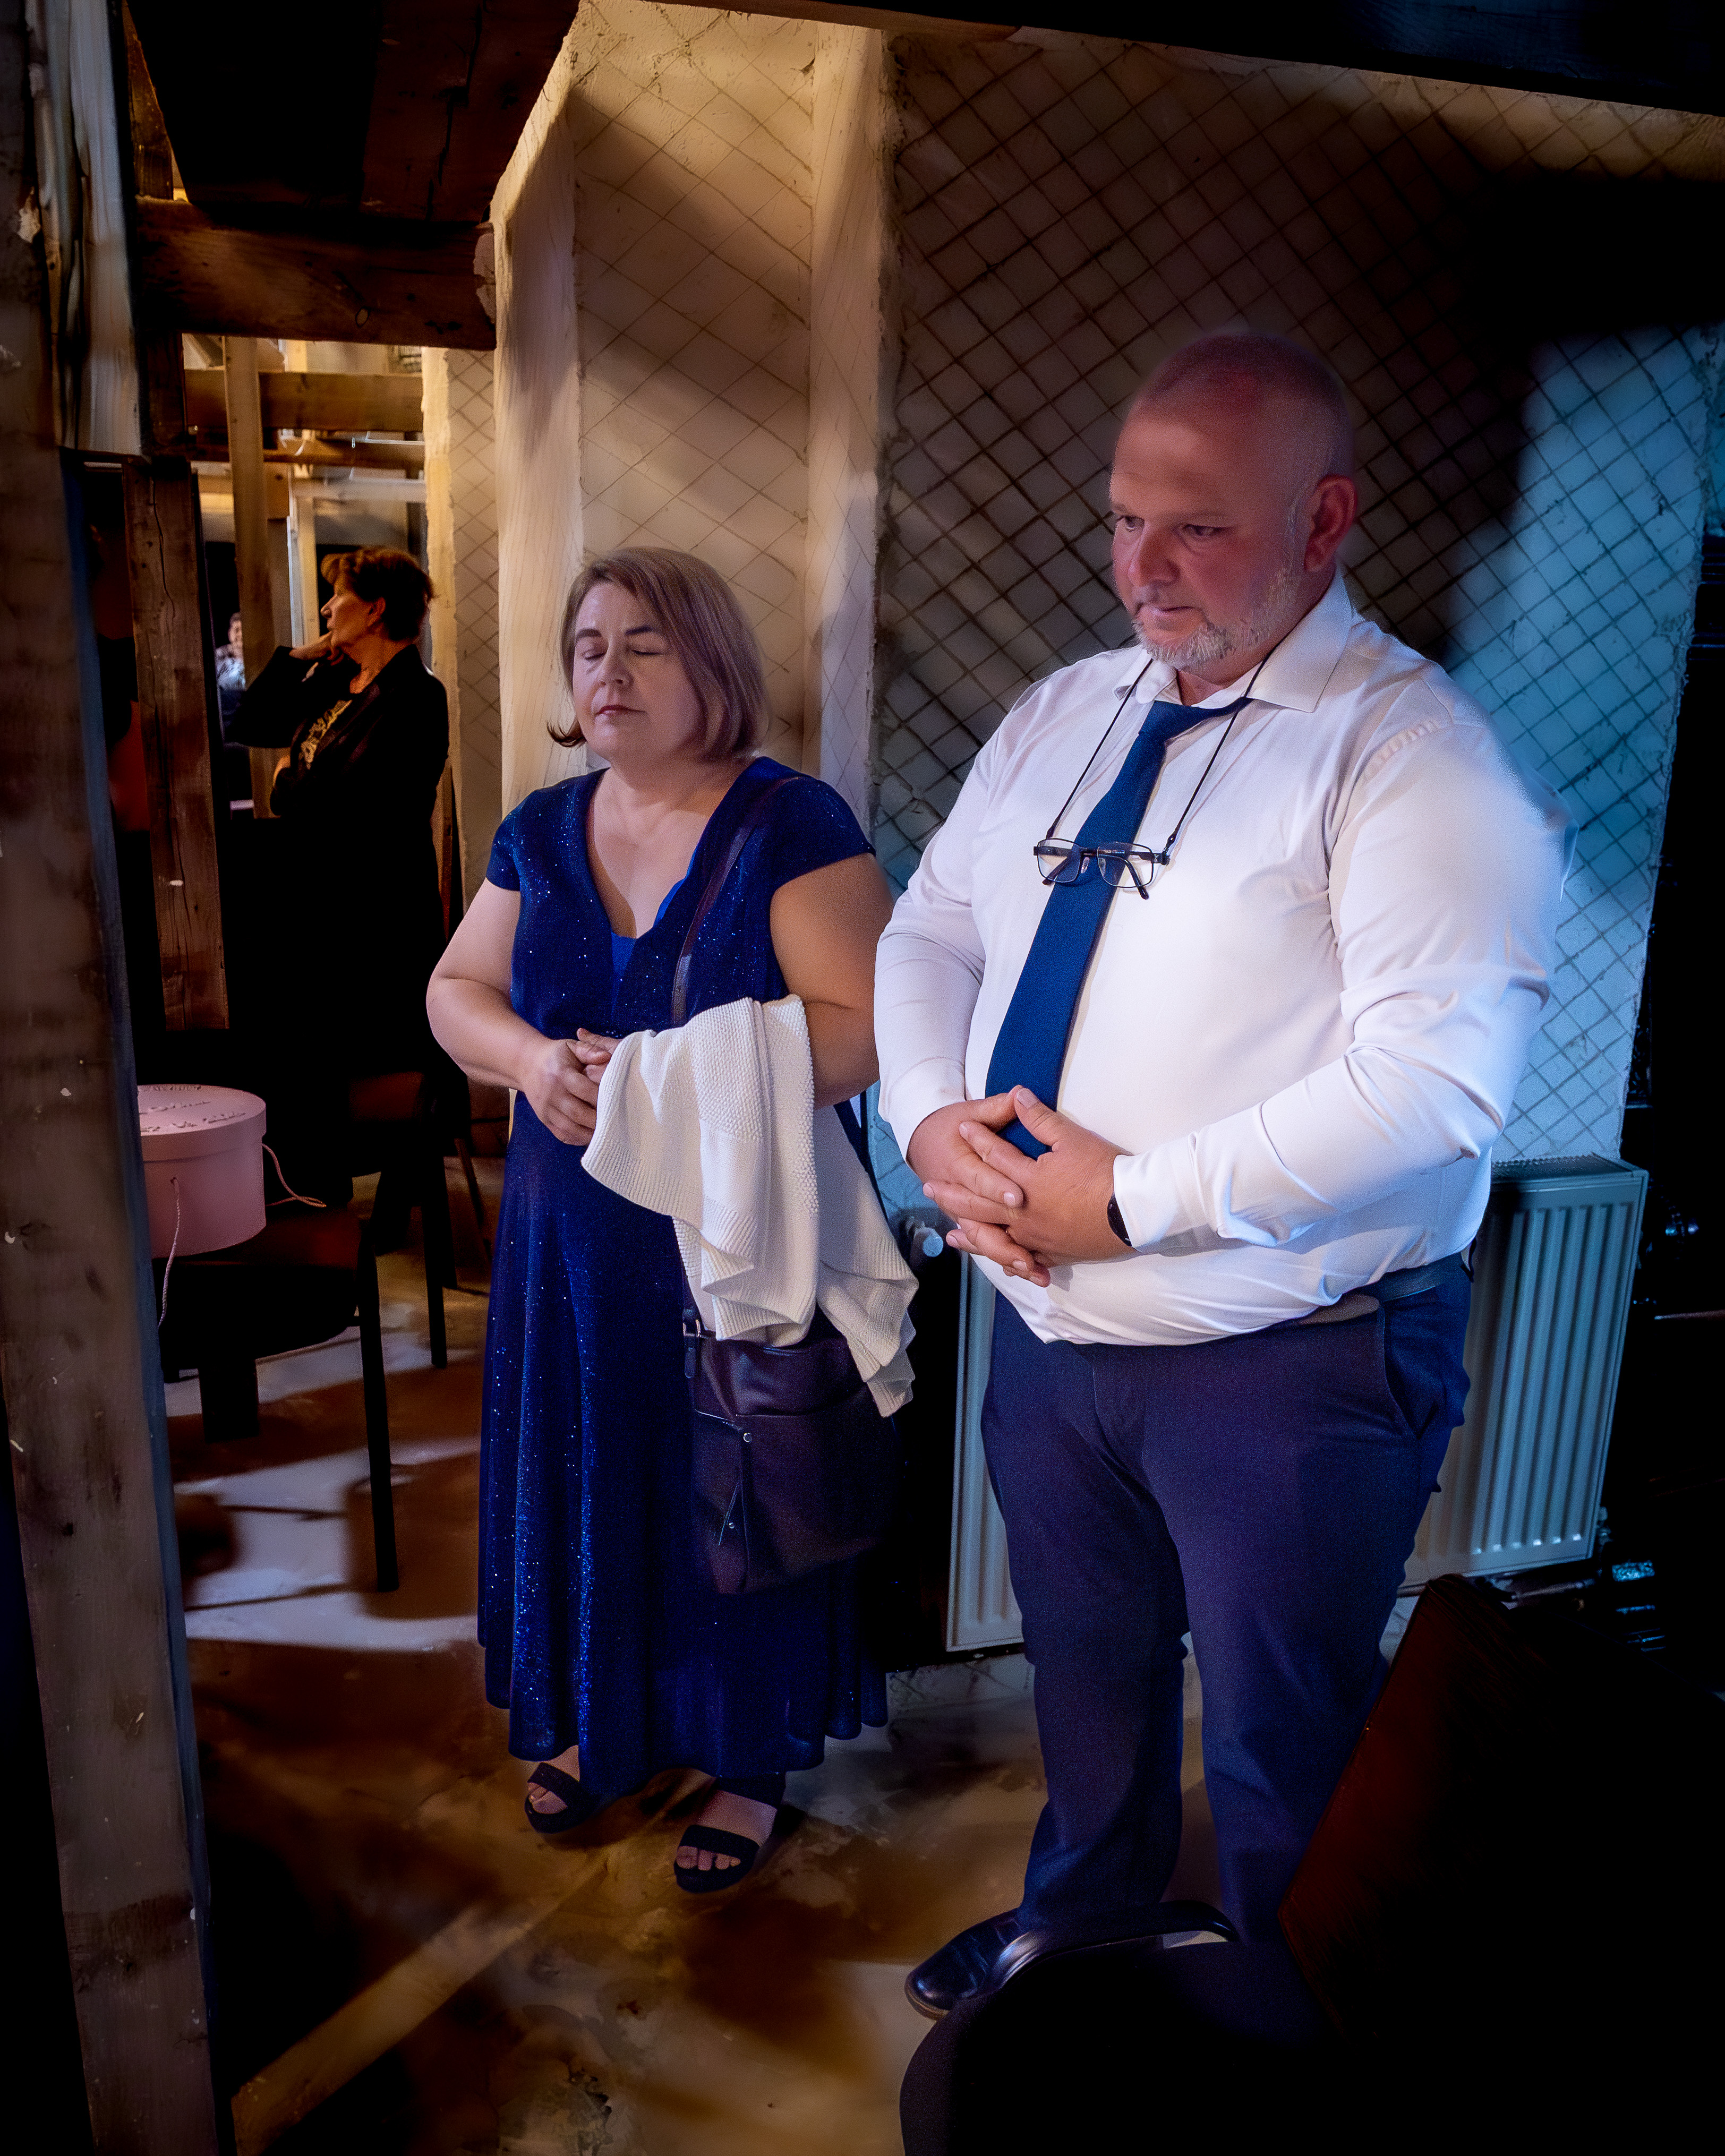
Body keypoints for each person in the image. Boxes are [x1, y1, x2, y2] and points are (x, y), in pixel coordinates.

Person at [875, 331, 1574, 2008]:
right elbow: (933, 926)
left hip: (1288, 1363)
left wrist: (1125, 1201)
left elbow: (1437, 1084)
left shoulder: (1411, 753)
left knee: (1283, 1739)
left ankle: (1287, 2012)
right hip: (1050, 1339)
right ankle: (1083, 1925)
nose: (1143, 568)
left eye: (1196, 526)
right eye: (1124, 520)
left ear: (1323, 519)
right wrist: (927, 1118)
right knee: (1085, 1679)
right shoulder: (1067, 710)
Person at [426, 547, 895, 1884]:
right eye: (589, 647)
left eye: (645, 644)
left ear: (713, 665)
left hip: (728, 1231)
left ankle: (745, 1762)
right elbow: (455, 990)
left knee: (733, 1482)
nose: (609, 671)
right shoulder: (539, 829)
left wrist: (666, 1077)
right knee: (591, 1469)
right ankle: (605, 1722)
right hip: (570, 1243)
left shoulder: (790, 822)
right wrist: (530, 1061)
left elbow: (869, 1030)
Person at [227, 549, 449, 1168]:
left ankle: (379, 1178)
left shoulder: (416, 694)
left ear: (375, 609)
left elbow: (350, 800)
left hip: (374, 907)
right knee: (308, 1049)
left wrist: (283, 783)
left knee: (366, 1052)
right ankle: (324, 1176)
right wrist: (299, 657)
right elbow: (250, 724)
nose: (327, 609)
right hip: (316, 898)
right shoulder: (332, 682)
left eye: (339, 597)